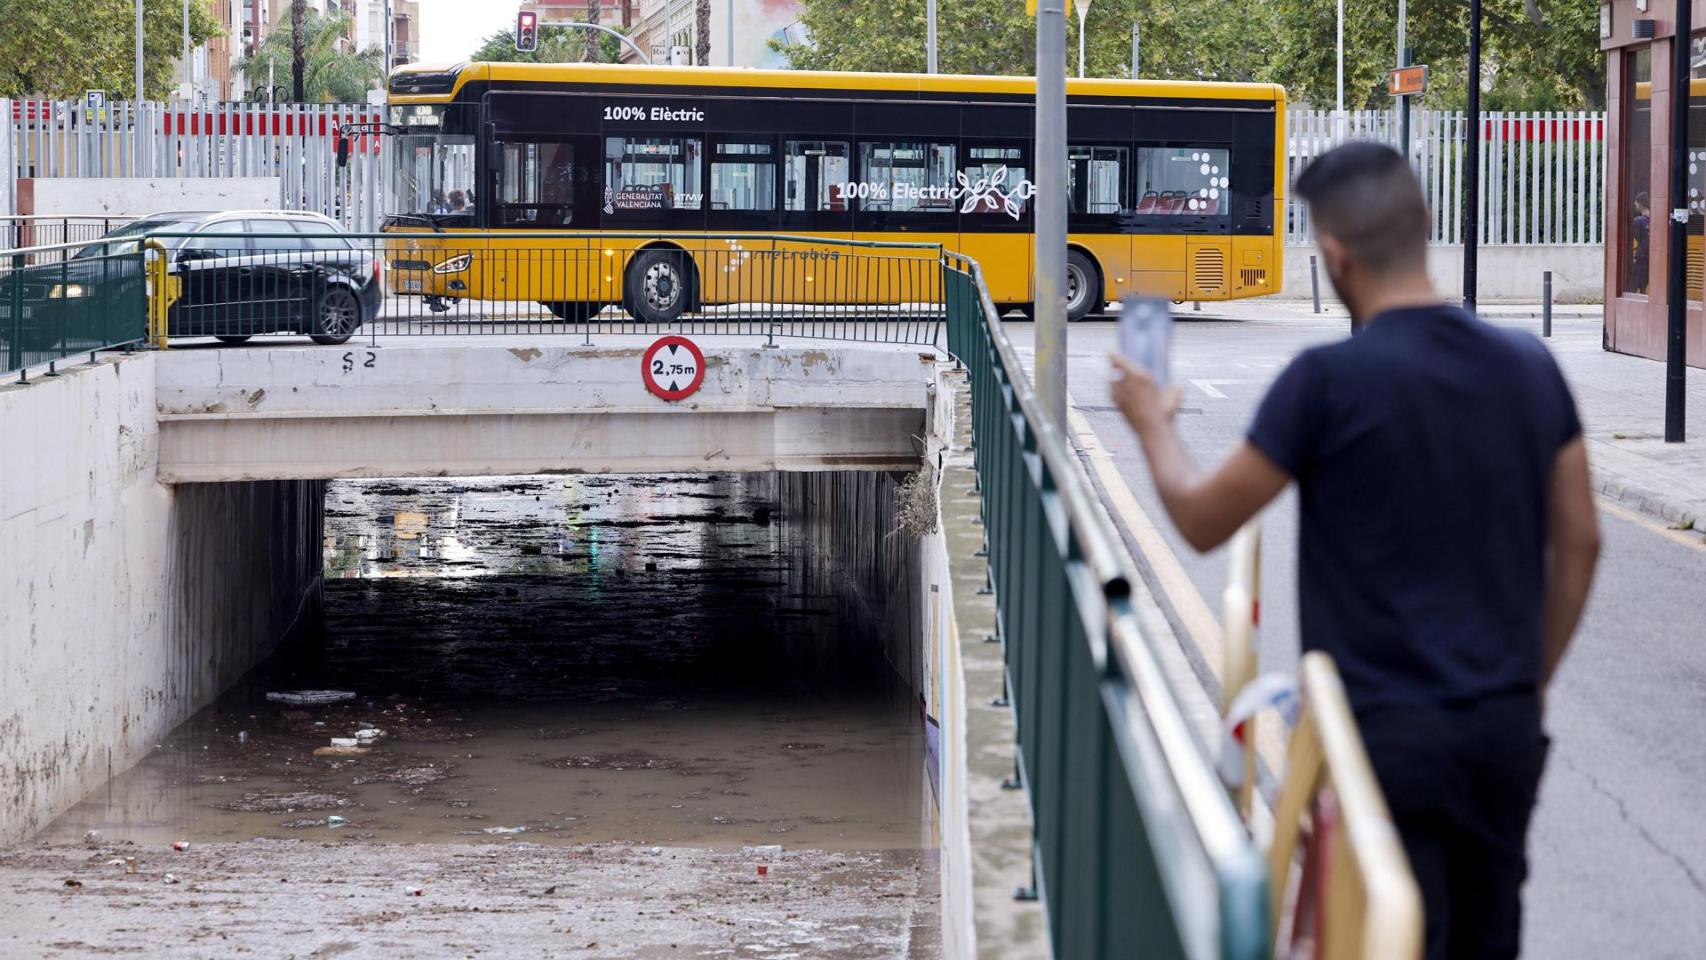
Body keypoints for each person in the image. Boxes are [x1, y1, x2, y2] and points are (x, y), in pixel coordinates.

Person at [1109, 142, 1600, 960]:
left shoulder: (1326, 382)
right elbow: (1582, 541)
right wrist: (1532, 681)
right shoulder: (1530, 365)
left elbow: (1201, 520)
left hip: (1377, 741)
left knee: (1387, 933)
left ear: (1332, 255)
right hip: (1502, 728)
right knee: (1489, 933)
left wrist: (1153, 423)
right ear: (1427, 227)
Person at [1631, 191, 1651, 295]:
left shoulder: (1637, 221)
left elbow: (1636, 238)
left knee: (1638, 283)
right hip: (1651, 257)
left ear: (1639, 203)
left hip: (1641, 256)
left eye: (1635, 203)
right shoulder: (1655, 219)